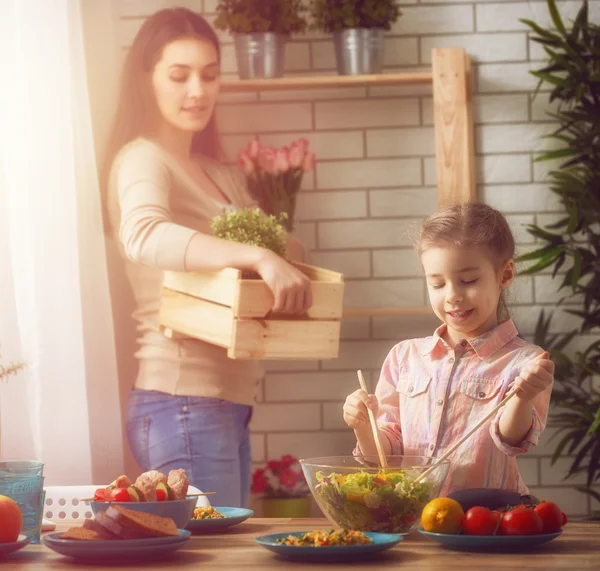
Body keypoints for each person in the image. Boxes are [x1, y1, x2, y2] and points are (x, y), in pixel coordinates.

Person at [101, 7, 312, 508]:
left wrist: (272, 252)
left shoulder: (218, 172)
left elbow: (290, 252)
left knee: (222, 553)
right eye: (179, 75)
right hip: (181, 400)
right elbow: (144, 235)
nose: (197, 90)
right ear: (146, 78)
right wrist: (260, 255)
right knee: (208, 558)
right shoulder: (141, 158)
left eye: (209, 75)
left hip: (224, 402)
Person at [342, 203, 554, 496]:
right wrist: (363, 427)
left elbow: (512, 440)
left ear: (504, 275)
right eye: (438, 284)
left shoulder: (526, 362)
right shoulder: (405, 358)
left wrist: (524, 396)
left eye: (468, 281)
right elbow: (384, 457)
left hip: (489, 520)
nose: (452, 296)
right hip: (415, 517)